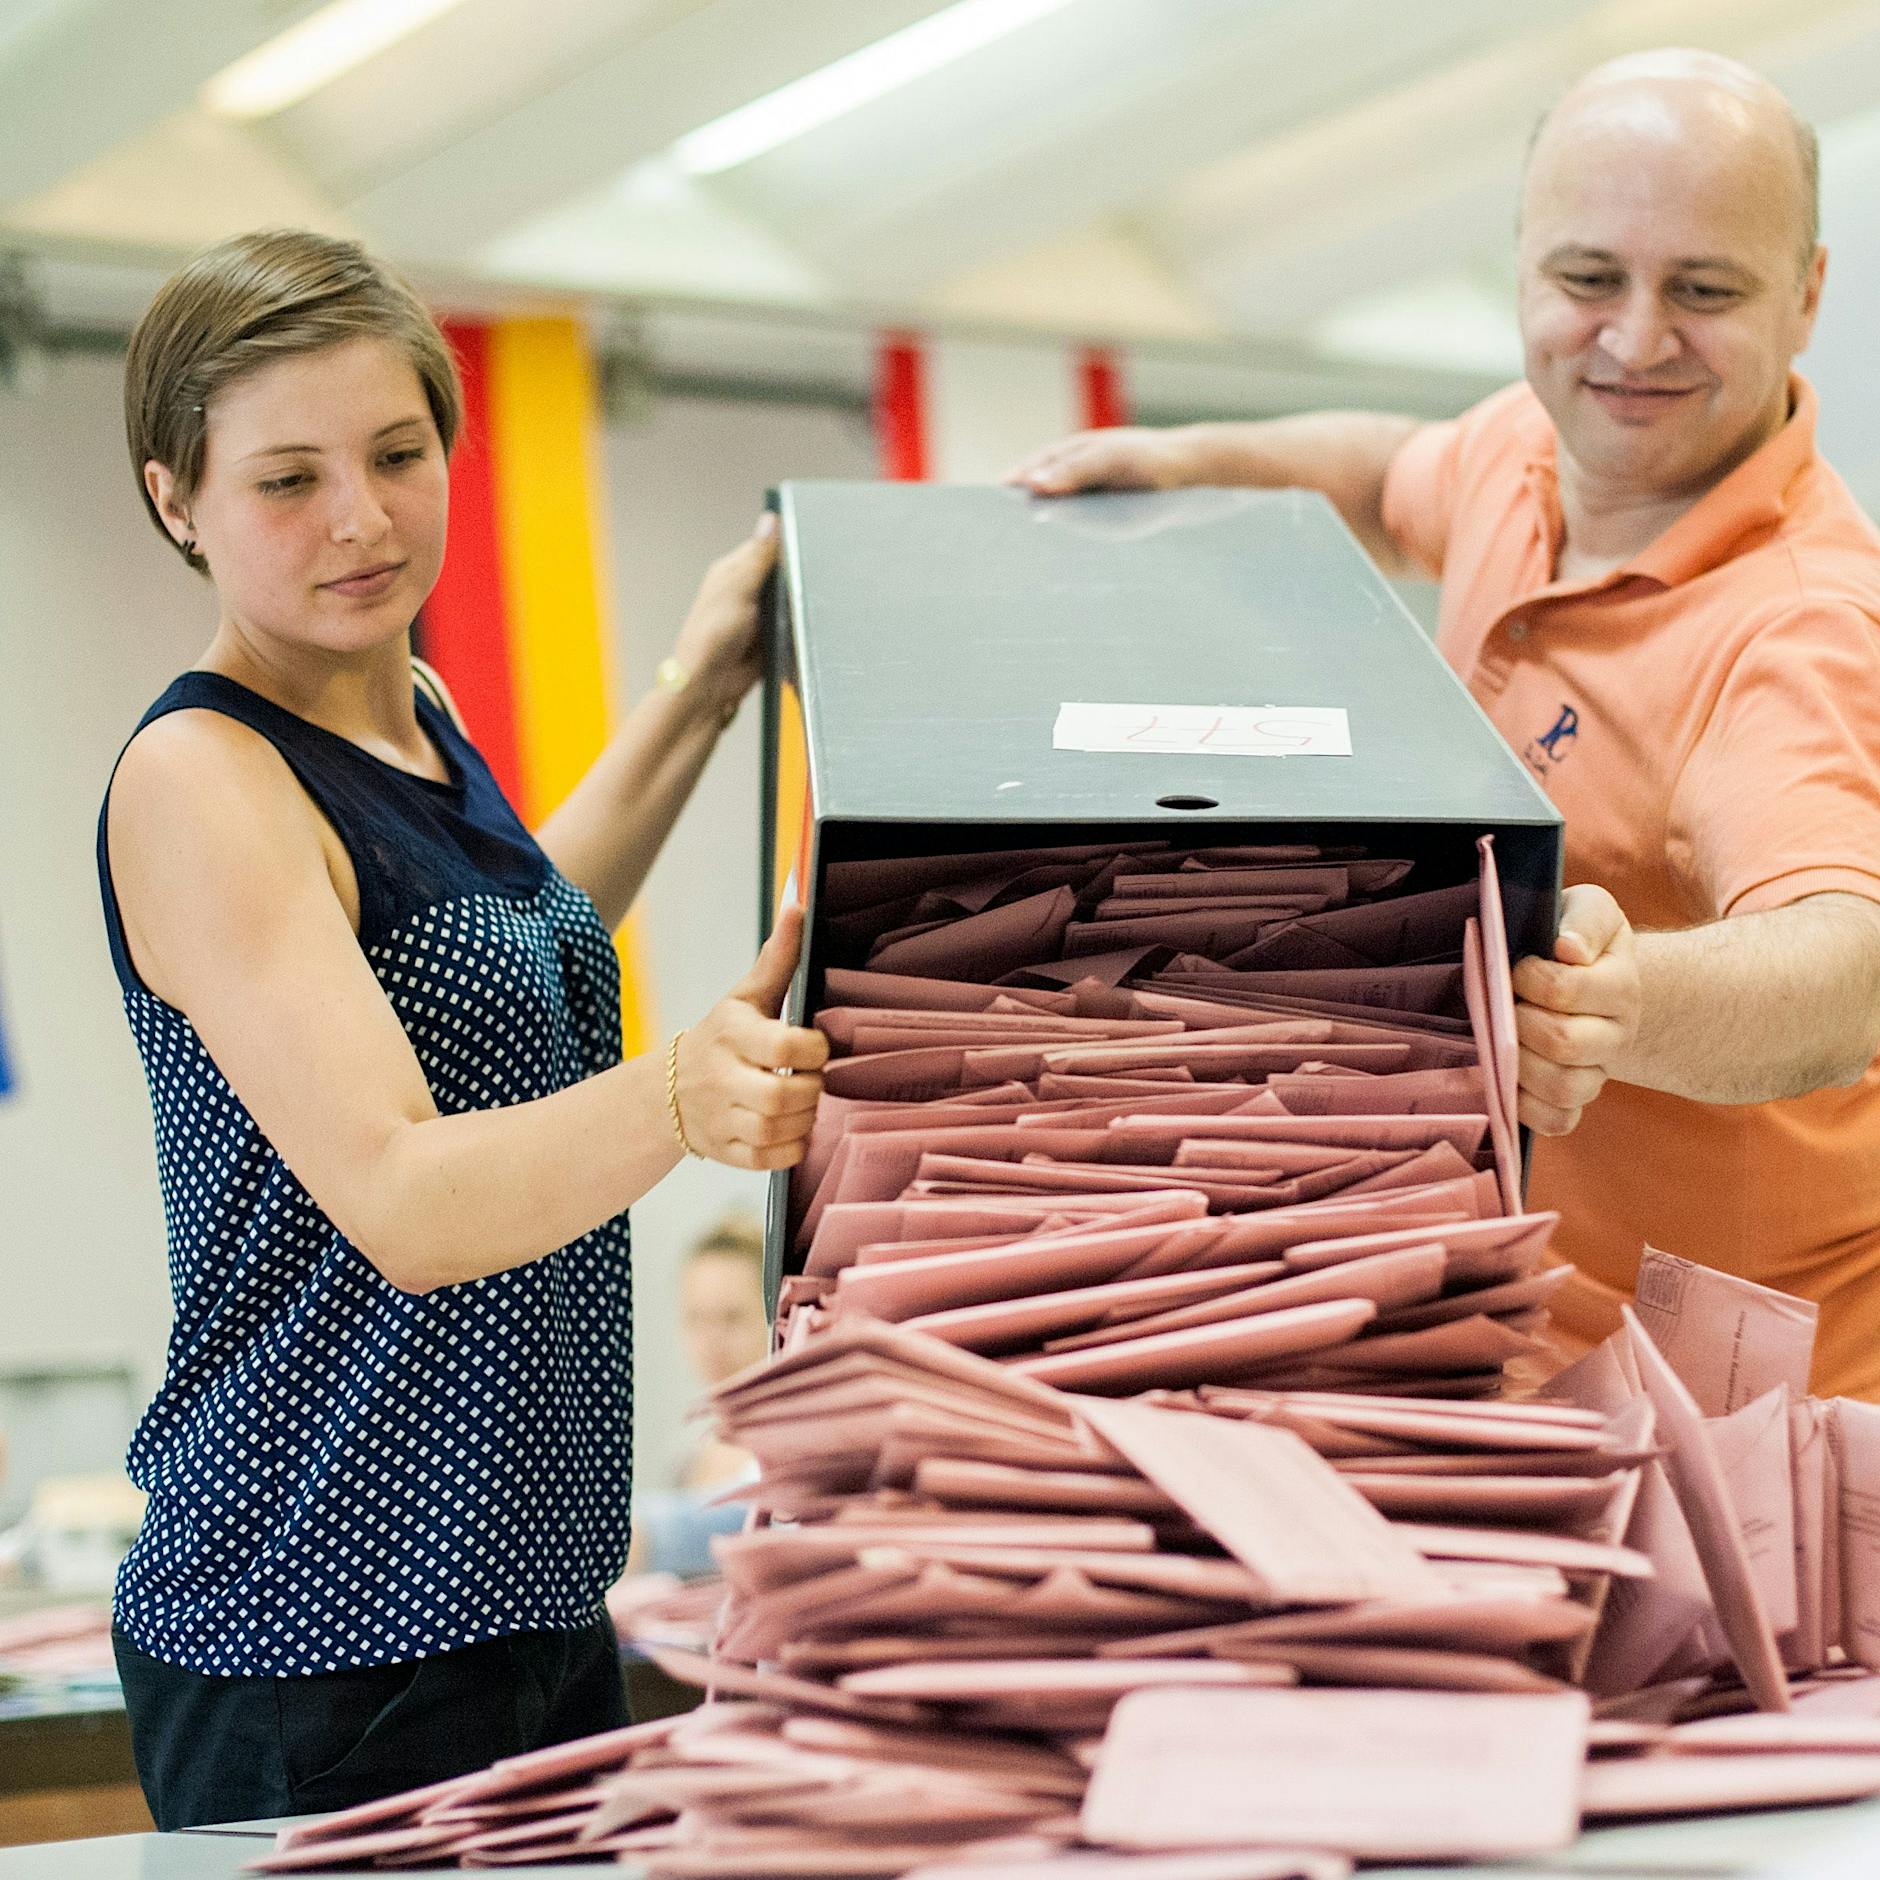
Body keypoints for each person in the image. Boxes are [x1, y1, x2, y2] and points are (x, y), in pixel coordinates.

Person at [1009, 50, 1880, 1398]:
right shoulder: (1528, 453)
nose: (1635, 340)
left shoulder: (1801, 627)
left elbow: (1842, 971)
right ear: (1524, 266)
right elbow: (1382, 469)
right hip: (1521, 1324)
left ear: (1810, 292)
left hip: (1749, 1413)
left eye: (1704, 291)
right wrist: (1187, 458)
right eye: (1590, 278)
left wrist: (1625, 994)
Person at [98, 229, 827, 1828]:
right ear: (179, 501)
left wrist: (703, 690)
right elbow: (406, 1195)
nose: (360, 518)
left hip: (524, 1593)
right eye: (286, 479)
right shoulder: (206, 778)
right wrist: (678, 1103)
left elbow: (522, 942)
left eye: (398, 454)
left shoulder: (414, 711)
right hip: (317, 1632)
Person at [612, 1216, 769, 1599]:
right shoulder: (688, 1454)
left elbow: (759, 1522)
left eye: (732, 1317)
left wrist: (642, 1532)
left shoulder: (793, 1443)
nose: (711, 1340)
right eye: (696, 1318)